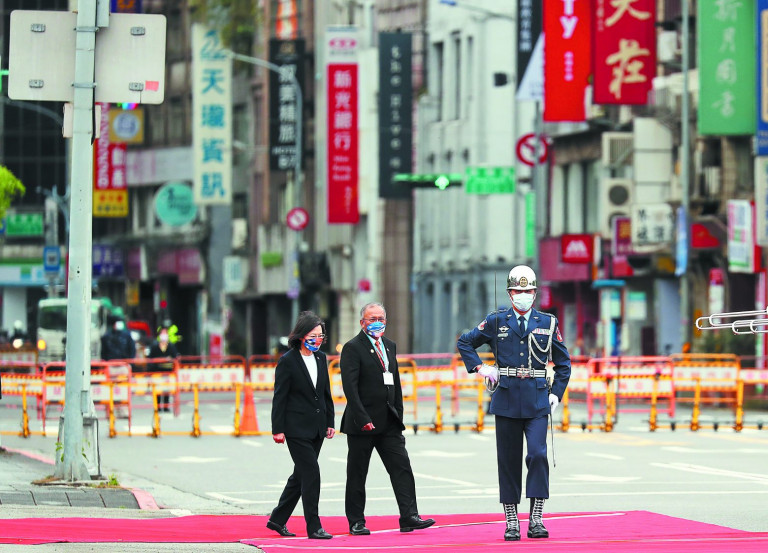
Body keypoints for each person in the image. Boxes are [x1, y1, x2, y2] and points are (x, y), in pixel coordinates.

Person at [457, 265, 570, 541]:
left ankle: (536, 518)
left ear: (535, 293)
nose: (524, 295)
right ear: (510, 293)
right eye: (519, 291)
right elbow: (465, 342)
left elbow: (564, 363)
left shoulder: (548, 322)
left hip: (536, 399)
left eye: (529, 291)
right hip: (506, 397)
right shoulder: (496, 321)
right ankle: (511, 521)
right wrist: (481, 369)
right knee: (507, 461)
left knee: (538, 455)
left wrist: (556, 392)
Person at [340, 302, 435, 535]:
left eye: (380, 318)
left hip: (389, 422)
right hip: (362, 423)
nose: (377, 322)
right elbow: (350, 388)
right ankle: (356, 521)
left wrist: (399, 413)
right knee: (357, 474)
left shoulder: (389, 346)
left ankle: (409, 516)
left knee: (402, 468)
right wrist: (362, 417)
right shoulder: (353, 348)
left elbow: (396, 383)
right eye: (371, 319)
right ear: (362, 322)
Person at [267, 311, 335, 540]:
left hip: (317, 427)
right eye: (313, 335)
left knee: (300, 476)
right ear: (302, 335)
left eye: (320, 335)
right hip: (295, 428)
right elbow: (280, 397)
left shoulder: (321, 358)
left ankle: (277, 519)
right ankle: (314, 527)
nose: (317, 339)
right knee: (311, 474)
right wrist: (277, 428)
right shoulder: (288, 361)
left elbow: (326, 393)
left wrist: (330, 422)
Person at [147, 326, 179, 413]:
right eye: (162, 333)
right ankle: (157, 406)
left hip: (168, 371)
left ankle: (166, 406)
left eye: (165, 333)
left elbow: (175, 357)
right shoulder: (154, 346)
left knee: (166, 390)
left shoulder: (171, 346)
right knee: (157, 389)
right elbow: (150, 358)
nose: (164, 335)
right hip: (157, 370)